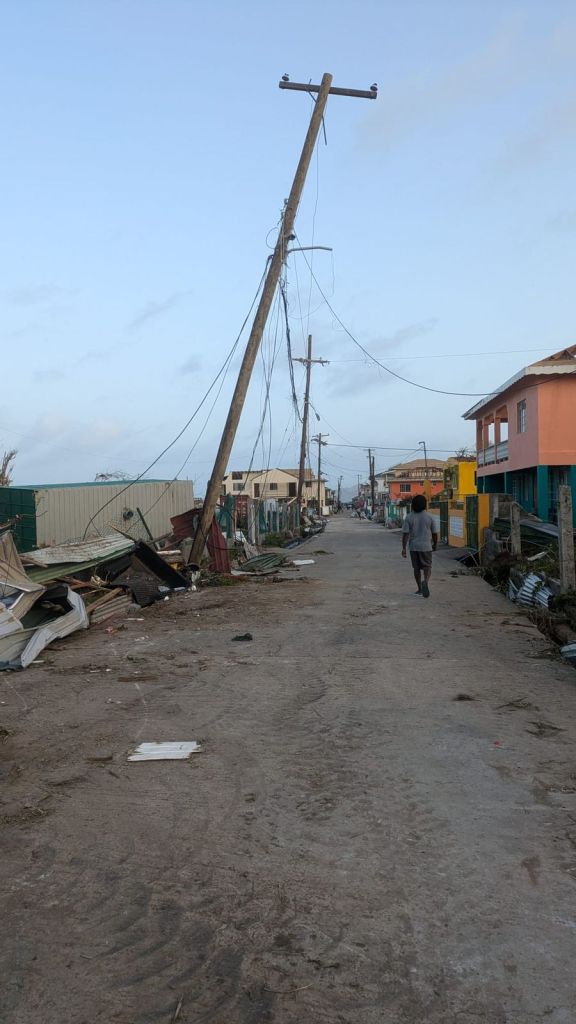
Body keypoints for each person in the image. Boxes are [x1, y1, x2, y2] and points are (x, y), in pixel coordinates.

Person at [401, 494, 438, 598]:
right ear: (425, 505)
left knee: (416, 568)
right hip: (426, 546)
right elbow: (435, 533)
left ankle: (419, 589)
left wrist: (403, 548)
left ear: (413, 505)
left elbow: (405, 534)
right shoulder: (430, 517)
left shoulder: (409, 517)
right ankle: (425, 581)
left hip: (414, 547)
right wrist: (435, 544)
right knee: (427, 566)